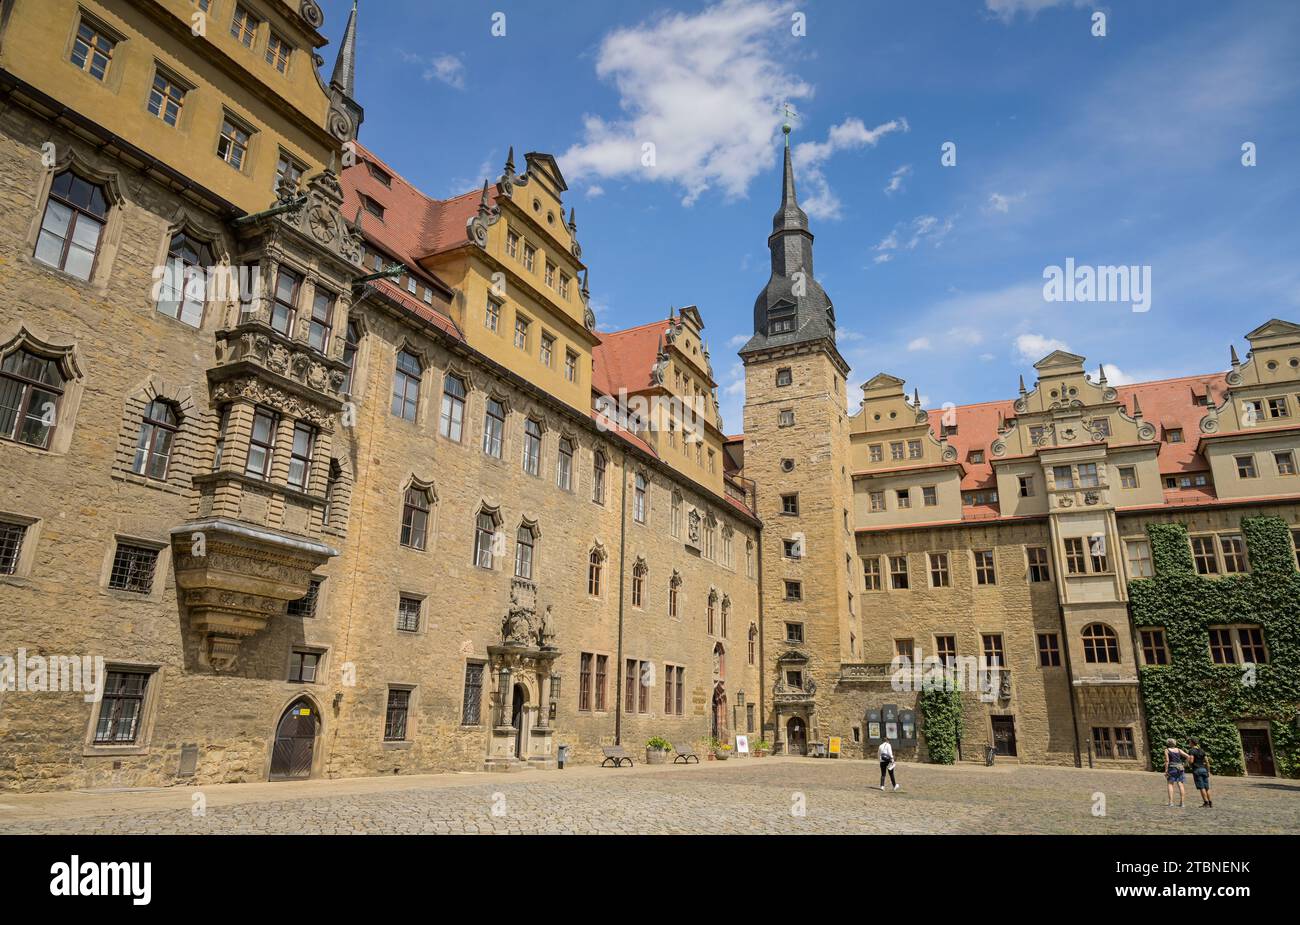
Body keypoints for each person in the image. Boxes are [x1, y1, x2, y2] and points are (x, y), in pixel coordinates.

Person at [1164, 737, 1192, 807]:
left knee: (1170, 784)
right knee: (1180, 784)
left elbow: (1167, 761)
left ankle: (1171, 802)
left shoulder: (1167, 750)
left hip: (1172, 768)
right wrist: (1184, 765)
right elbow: (1188, 756)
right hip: (1180, 768)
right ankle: (1182, 803)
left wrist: (1166, 770)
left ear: (1168, 743)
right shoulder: (1179, 750)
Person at [1186, 737, 1213, 808]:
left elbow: (1191, 760)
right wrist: (1208, 771)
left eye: (1189, 742)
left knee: (1201, 787)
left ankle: (1206, 802)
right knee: (1207, 787)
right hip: (1204, 769)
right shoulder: (1202, 750)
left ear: (1192, 743)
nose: (1189, 743)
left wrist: (1188, 762)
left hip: (1197, 770)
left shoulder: (1192, 750)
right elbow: (1207, 761)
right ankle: (1210, 802)